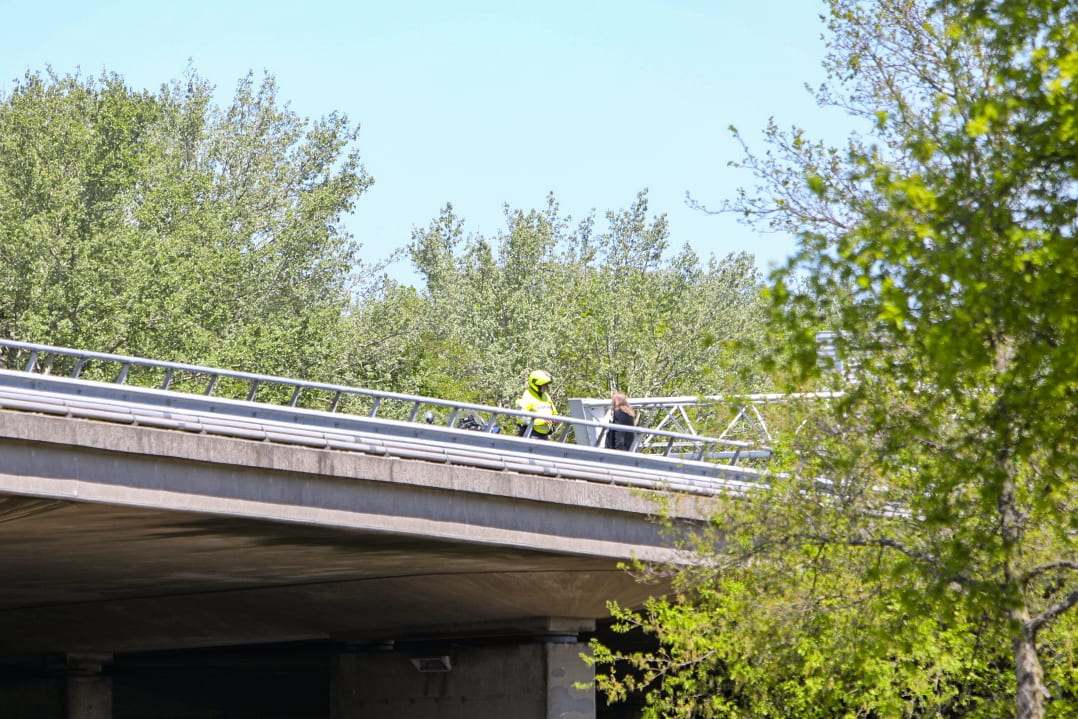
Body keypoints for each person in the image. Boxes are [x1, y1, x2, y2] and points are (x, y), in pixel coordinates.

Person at [516, 370, 557, 439]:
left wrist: (555, 419)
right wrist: (542, 421)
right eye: (544, 384)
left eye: (547, 384)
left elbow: (554, 411)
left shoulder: (546, 396)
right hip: (530, 434)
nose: (546, 387)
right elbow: (521, 418)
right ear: (535, 384)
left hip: (545, 436)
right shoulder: (527, 396)